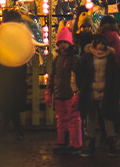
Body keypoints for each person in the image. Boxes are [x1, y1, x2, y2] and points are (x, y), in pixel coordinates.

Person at [76, 34, 120, 157]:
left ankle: (111, 144)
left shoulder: (110, 58)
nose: (101, 46)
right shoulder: (87, 57)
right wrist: (81, 87)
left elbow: (118, 75)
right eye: (99, 43)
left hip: (105, 92)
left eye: (103, 43)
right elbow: (79, 72)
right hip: (91, 91)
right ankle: (90, 144)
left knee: (107, 117)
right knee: (91, 117)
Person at [0, 9, 28, 140]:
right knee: (11, 104)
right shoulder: (19, 36)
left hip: (7, 76)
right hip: (13, 76)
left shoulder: (3, 35)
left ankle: (7, 129)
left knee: (8, 104)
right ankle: (16, 130)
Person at [46, 26, 82, 154]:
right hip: (59, 94)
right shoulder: (57, 59)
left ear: (69, 43)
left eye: (65, 42)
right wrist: (49, 91)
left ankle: (75, 144)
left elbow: (78, 77)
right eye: (60, 43)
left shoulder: (74, 59)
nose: (62, 45)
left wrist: (77, 92)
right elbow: (53, 75)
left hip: (71, 94)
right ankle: (63, 142)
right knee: (61, 120)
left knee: (73, 120)